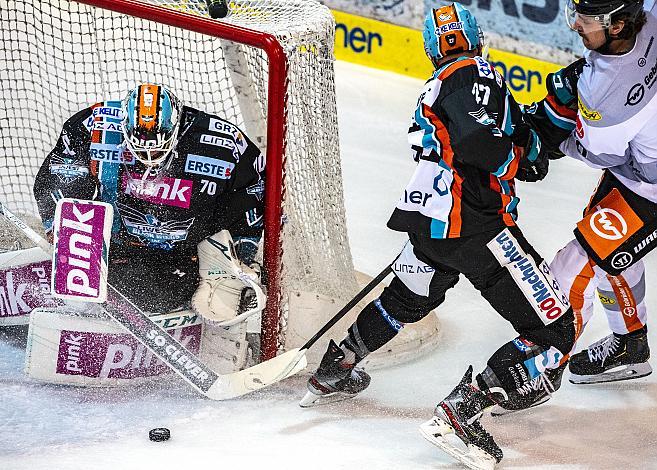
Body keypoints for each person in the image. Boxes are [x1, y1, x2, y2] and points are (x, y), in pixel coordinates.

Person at [300, 4, 576, 467]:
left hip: (431, 223)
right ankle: (462, 412)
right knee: (554, 333)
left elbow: (482, 132)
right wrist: (518, 157)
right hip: (478, 226)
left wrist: (524, 140)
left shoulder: (442, 83)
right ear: (478, 38)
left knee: (407, 300)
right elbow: (477, 142)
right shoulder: (479, 73)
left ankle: (338, 366)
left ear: (430, 51)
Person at [33, 83, 265, 326]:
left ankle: (204, 290)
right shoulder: (95, 126)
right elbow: (59, 173)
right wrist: (58, 225)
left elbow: (252, 191)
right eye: (140, 151)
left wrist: (241, 252)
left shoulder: (222, 142)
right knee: (107, 266)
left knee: (210, 300)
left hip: (185, 255)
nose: (149, 159)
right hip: (118, 246)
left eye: (157, 151)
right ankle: (84, 298)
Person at [521, 0, 655, 387]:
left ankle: (539, 372)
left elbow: (597, 154)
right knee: (613, 254)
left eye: (588, 19)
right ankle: (630, 343)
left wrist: (545, 140)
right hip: (640, 167)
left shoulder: (603, 95)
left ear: (617, 26)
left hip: (647, 189)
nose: (576, 24)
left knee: (570, 269)